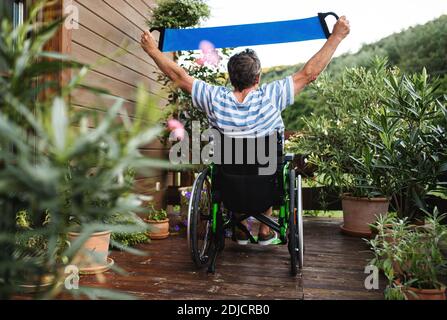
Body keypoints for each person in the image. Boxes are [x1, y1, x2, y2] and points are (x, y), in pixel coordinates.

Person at [141, 16, 350, 245]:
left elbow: (178, 76)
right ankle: (264, 231)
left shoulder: (214, 98)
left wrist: (152, 50)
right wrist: (337, 36)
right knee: (267, 167)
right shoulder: (272, 96)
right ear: (258, 78)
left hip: (229, 188)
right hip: (266, 187)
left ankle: (239, 228)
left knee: (237, 167)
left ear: (231, 77)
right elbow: (310, 74)